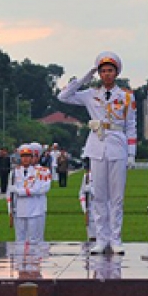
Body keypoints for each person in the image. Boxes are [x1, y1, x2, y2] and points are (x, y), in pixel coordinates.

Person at [58, 51, 137, 255]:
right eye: (102, 71)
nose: (106, 74)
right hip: (97, 145)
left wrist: (131, 153)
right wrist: (87, 75)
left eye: (110, 70)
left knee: (117, 197)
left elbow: (132, 126)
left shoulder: (126, 96)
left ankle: (116, 238)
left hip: (118, 144)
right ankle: (101, 238)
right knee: (99, 196)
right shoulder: (90, 94)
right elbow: (63, 95)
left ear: (116, 72)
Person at [7, 145, 51, 244]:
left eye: (28, 156)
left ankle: (34, 259)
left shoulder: (41, 171)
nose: (25, 159)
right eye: (23, 156)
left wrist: (19, 191)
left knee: (35, 240)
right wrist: (10, 210)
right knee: (19, 240)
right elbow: (9, 193)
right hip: (19, 210)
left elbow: (38, 189)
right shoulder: (14, 172)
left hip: (35, 209)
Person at [78, 158, 95, 241]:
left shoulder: (105, 176)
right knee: (91, 238)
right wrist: (84, 209)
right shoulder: (87, 177)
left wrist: (92, 190)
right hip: (90, 210)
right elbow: (81, 193)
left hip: (102, 211)